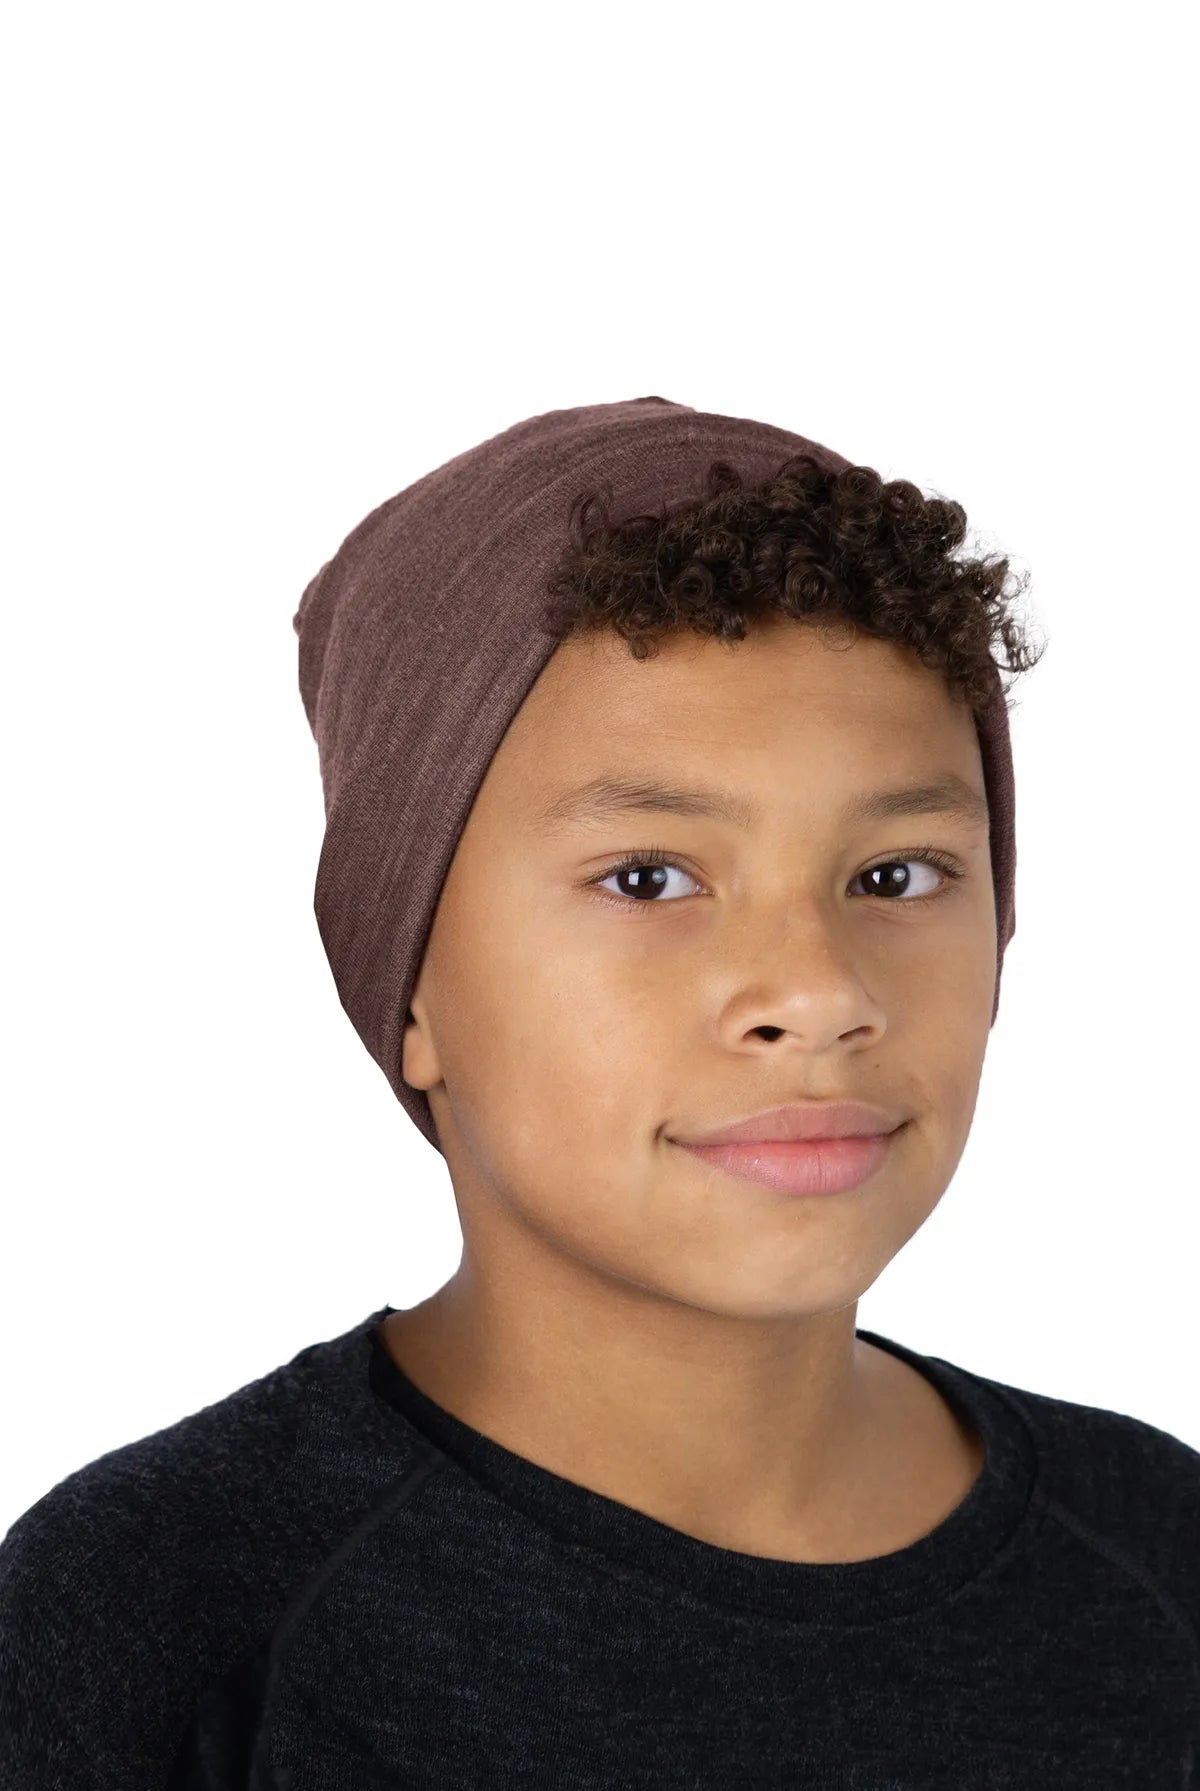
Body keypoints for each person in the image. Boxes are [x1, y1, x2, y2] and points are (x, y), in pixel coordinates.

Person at [2, 397, 1197, 1788]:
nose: (818, 990)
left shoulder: (1161, 1561)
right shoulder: (155, 1625)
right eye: (648, 879)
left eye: (896, 875)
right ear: (409, 985)